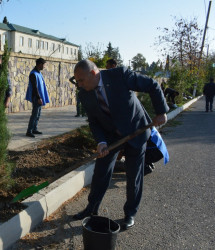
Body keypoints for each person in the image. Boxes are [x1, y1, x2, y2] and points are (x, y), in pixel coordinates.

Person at [72, 59, 168, 230]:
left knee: (133, 175)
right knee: (101, 171)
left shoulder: (120, 75)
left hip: (135, 129)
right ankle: (91, 209)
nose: (78, 85)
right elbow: (94, 122)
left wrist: (161, 111)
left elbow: (152, 85)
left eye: (81, 80)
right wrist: (101, 141)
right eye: (77, 81)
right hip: (110, 135)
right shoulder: (84, 93)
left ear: (93, 74)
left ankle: (130, 213)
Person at [25, 58, 50, 138]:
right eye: (44, 65)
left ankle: (34, 129)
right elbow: (35, 87)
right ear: (40, 64)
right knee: (34, 114)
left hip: (39, 97)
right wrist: (39, 98)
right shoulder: (33, 74)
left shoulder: (38, 73)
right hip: (36, 98)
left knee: (38, 114)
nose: (45, 66)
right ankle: (29, 131)